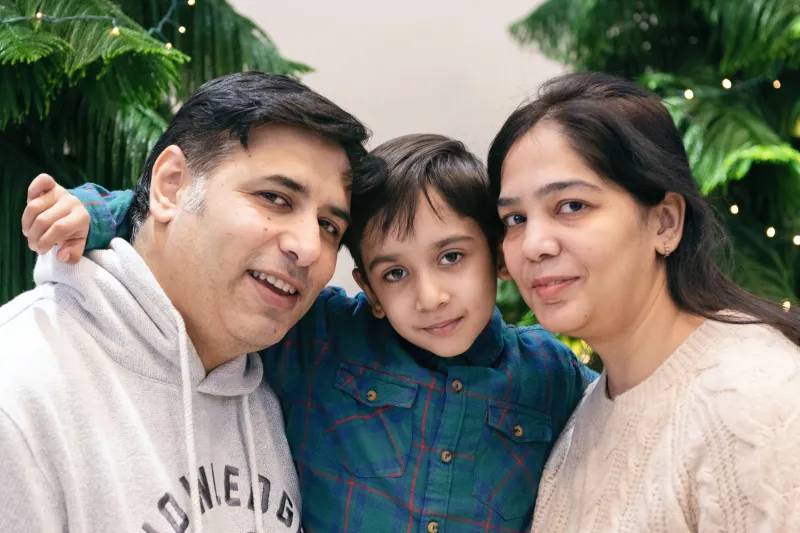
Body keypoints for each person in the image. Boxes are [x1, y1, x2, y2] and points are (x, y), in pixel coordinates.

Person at [23, 133, 596, 532]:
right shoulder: (322, 338)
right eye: (395, 272)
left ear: (497, 257)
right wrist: (91, 213)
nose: (430, 296)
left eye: (451, 258)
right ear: (369, 289)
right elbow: (184, 225)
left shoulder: (550, 373)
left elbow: (639, 399)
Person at [1, 71, 378, 533]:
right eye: (275, 198)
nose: (309, 248)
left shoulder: (277, 389)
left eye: (328, 227)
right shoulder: (19, 386)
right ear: (172, 185)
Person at [487, 71, 800, 532]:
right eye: (514, 218)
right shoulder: (589, 407)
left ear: (665, 223)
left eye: (571, 205)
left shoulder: (757, 400)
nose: (533, 244)